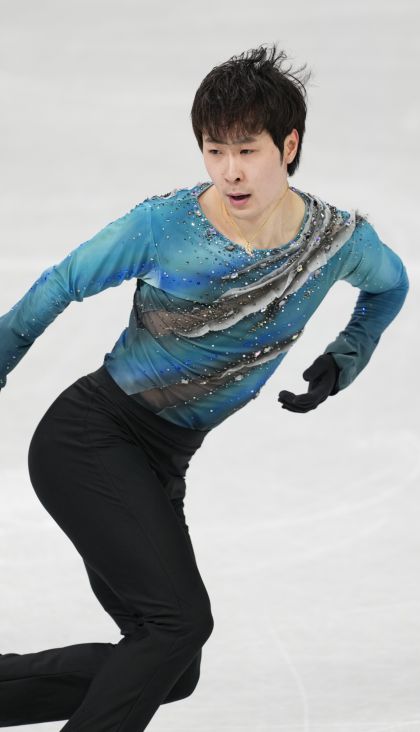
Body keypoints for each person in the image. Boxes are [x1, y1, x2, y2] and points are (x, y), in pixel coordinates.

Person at [0, 42, 409, 730]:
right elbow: (62, 282)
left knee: (171, 663)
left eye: (247, 150)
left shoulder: (336, 241)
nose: (230, 171)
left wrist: (347, 356)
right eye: (215, 150)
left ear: (288, 145)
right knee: (177, 624)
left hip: (163, 461)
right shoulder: (166, 225)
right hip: (90, 441)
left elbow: (390, 285)